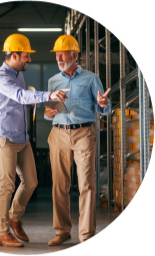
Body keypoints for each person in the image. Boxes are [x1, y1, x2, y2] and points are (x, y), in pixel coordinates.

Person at [0, 33, 70, 247]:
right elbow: (20, 96)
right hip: (3, 138)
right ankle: (3, 232)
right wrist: (48, 95)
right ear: (14, 55)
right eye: (26, 56)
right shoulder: (2, 77)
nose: (29, 60)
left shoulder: (18, 73)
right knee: (6, 185)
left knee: (31, 182)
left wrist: (32, 99)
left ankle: (14, 217)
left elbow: (22, 97)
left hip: (20, 138)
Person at [44, 34, 111, 245]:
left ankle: (86, 235)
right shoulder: (53, 81)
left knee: (86, 185)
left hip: (83, 134)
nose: (59, 58)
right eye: (57, 54)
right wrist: (48, 112)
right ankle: (62, 231)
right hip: (58, 134)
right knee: (59, 185)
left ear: (75, 55)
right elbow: (48, 113)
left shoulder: (91, 78)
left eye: (63, 54)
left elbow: (106, 109)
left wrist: (103, 103)